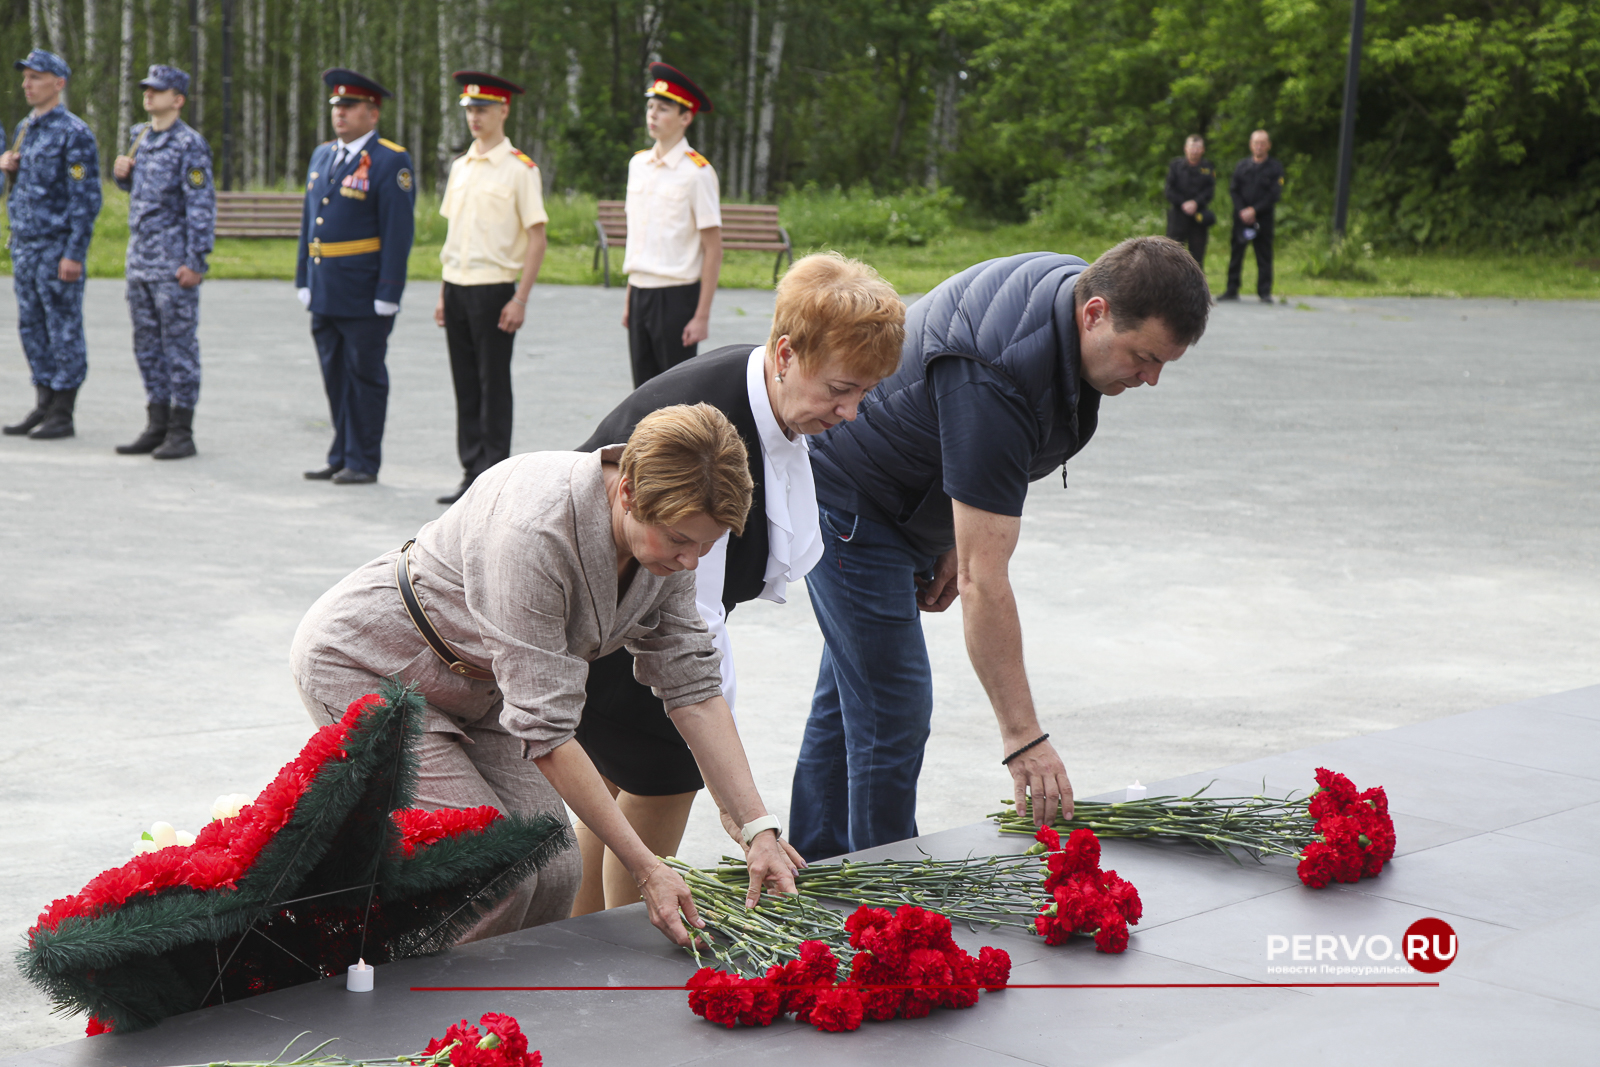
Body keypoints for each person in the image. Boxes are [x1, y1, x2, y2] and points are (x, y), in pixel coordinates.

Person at [289, 404, 799, 945]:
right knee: (486, 874)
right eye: (680, 540)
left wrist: (756, 829)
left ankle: (508, 1019)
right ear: (627, 491)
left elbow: (692, 686)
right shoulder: (533, 530)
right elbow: (549, 731)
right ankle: (425, 1015)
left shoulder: (667, 539)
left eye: (708, 544)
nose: (692, 562)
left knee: (554, 870)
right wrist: (648, 868)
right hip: (373, 667)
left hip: (487, 688)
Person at [792, 238, 1213, 862]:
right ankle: (886, 903)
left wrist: (942, 539)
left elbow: (976, 468)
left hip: (903, 495)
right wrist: (1024, 739)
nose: (1150, 377)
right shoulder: (996, 369)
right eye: (1145, 356)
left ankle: (818, 869)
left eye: (1163, 364)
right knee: (894, 704)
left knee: (857, 691)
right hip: (851, 493)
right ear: (1094, 312)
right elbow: (985, 581)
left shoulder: (1070, 303)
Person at [570, 253, 905, 914]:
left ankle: (575, 936)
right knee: (666, 776)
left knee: (615, 783)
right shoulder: (711, 424)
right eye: (841, 389)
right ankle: (623, 941)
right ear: (785, 352)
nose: (852, 412)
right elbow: (692, 625)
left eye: (864, 393)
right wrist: (745, 807)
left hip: (637, 614)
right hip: (616, 624)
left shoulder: (768, 392)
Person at [433, 71, 549, 506]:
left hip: (495, 288)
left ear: (504, 110)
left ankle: (493, 474)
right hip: (458, 285)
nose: (474, 118)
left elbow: (536, 236)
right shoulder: (461, 167)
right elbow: (454, 236)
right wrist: (444, 292)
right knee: (465, 384)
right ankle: (469, 474)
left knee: (492, 383)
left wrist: (520, 297)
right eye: (469, 110)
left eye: (482, 109)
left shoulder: (520, 170)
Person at [296, 68, 416, 485]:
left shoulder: (389, 160)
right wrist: (303, 279)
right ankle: (341, 452)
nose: (340, 113)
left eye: (349, 106)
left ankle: (363, 460)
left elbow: (398, 233)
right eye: (336, 106)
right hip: (326, 286)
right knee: (334, 375)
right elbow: (309, 224)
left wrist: (389, 290)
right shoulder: (323, 155)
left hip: (365, 292)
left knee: (364, 376)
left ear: (372, 112)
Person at [110, 64, 215, 460]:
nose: (149, 95)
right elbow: (141, 193)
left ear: (178, 99)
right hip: (140, 261)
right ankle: (156, 424)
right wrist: (121, 176)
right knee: (147, 346)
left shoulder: (189, 144)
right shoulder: (139, 136)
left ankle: (181, 431)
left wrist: (195, 261)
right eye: (146, 88)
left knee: (179, 347)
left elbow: (201, 206)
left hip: (173, 266)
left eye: (158, 90)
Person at [0, 50, 101, 441]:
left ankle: (63, 409)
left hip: (56, 247)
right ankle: (43, 401)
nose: (27, 84)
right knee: (31, 325)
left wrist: (74, 252)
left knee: (63, 327)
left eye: (36, 78)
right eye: (25, 78)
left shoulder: (73, 133)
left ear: (58, 83)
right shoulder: (26, 127)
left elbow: (85, 198)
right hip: (25, 245)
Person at [621, 62, 722, 388]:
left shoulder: (697, 172)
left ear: (685, 117)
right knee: (642, 391)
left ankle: (679, 444)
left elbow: (712, 247)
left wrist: (701, 314)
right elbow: (639, 237)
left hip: (677, 297)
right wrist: (629, 297)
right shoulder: (638, 165)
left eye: (663, 108)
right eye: (650, 106)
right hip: (640, 292)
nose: (652, 114)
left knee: (675, 395)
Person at [1222, 129, 1286, 303]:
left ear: (1268, 145)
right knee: (1236, 253)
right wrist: (1243, 210)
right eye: (1256, 143)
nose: (1259, 146)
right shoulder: (1242, 166)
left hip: (1262, 219)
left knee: (1264, 255)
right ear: (1251, 145)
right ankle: (1231, 288)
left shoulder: (1275, 168)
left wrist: (1254, 210)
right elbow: (1234, 190)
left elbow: (1274, 194)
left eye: (1262, 143)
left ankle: (1264, 292)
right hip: (1241, 218)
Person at [1164, 134, 1216, 270]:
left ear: (1203, 150)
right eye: (1192, 147)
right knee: (1172, 253)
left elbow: (1209, 191)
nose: (1195, 151)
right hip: (1178, 215)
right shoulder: (1175, 166)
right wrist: (1183, 203)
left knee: (1197, 255)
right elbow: (1169, 190)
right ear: (1185, 148)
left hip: (1198, 216)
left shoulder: (1207, 167)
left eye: (1198, 148)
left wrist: (1195, 203)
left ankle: (1197, 288)